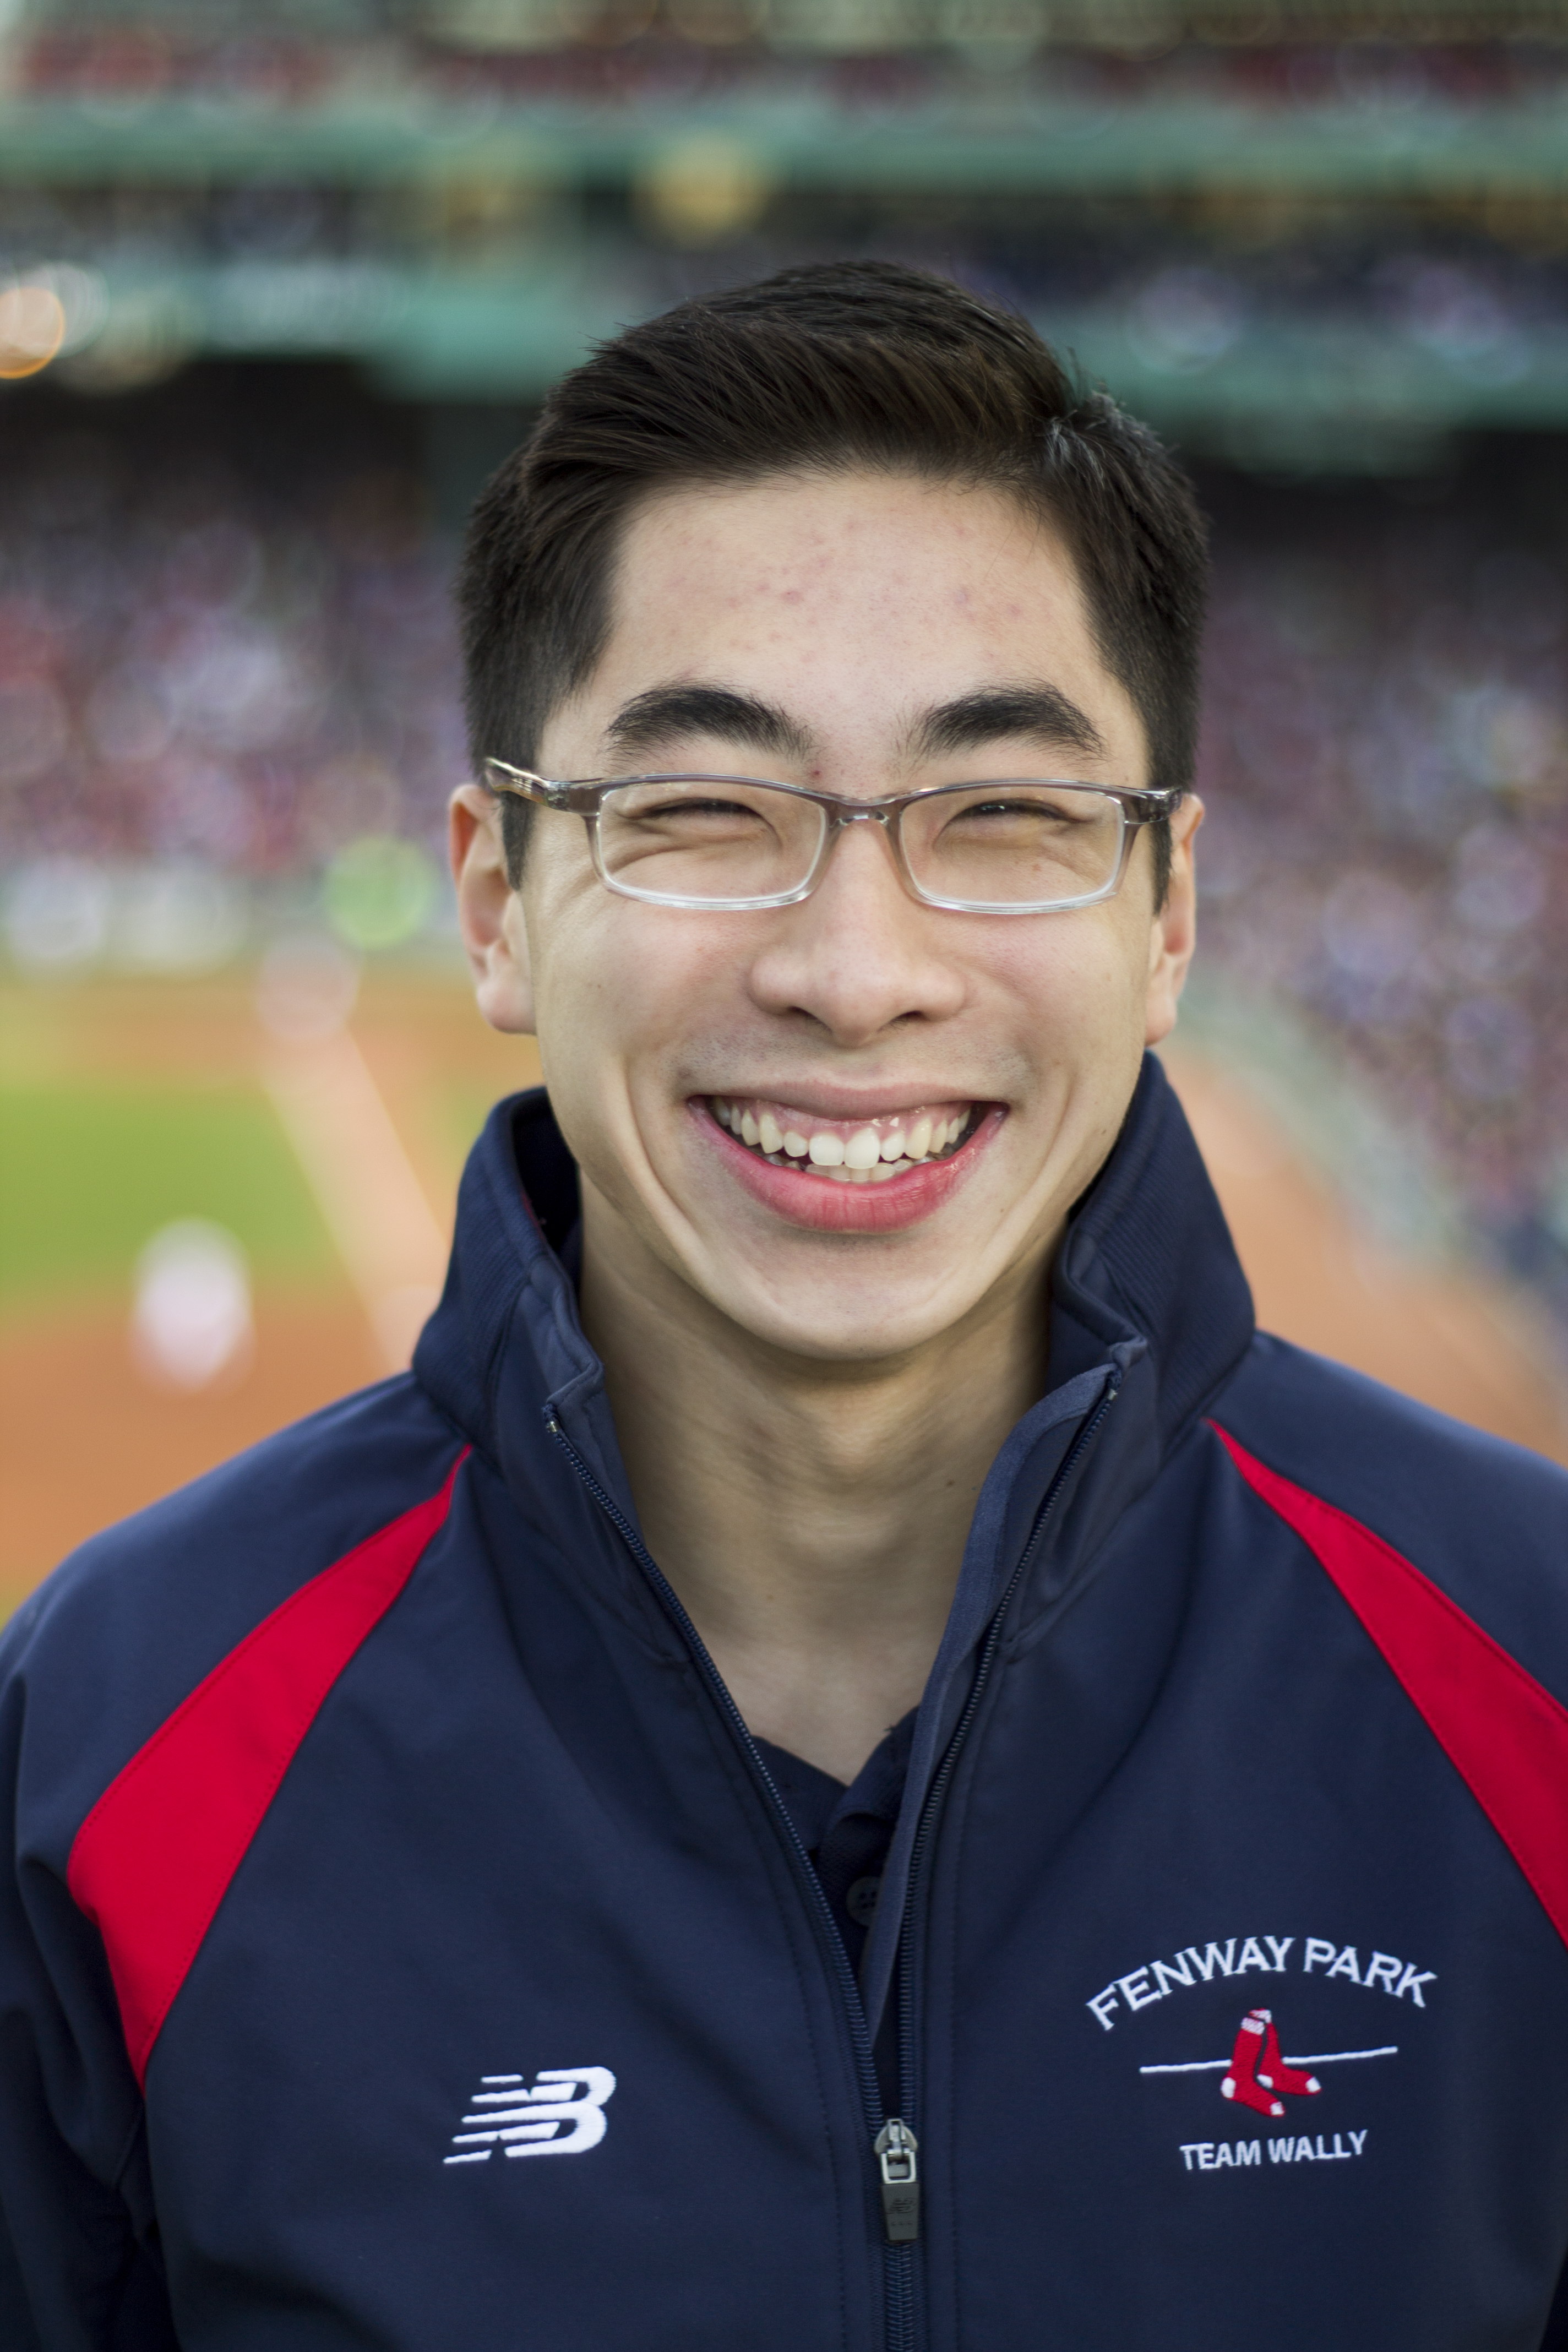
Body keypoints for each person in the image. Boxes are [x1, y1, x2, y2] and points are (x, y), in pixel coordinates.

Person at [3, 261, 1567, 2352]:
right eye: (703, 811)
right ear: (496, 899)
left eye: (1007, 815)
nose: (856, 967)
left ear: (1170, 911)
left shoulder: (1537, 1676)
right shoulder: (104, 1745)